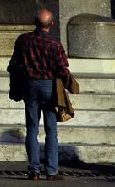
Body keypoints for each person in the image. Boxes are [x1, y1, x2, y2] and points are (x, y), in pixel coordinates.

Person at [10, 10, 70, 181]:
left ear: (35, 22)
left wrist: (14, 87)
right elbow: (62, 68)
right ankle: (51, 171)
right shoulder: (54, 44)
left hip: (29, 85)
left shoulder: (23, 40)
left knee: (32, 128)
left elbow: (14, 64)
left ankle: (34, 170)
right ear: (52, 24)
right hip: (49, 85)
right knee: (51, 129)